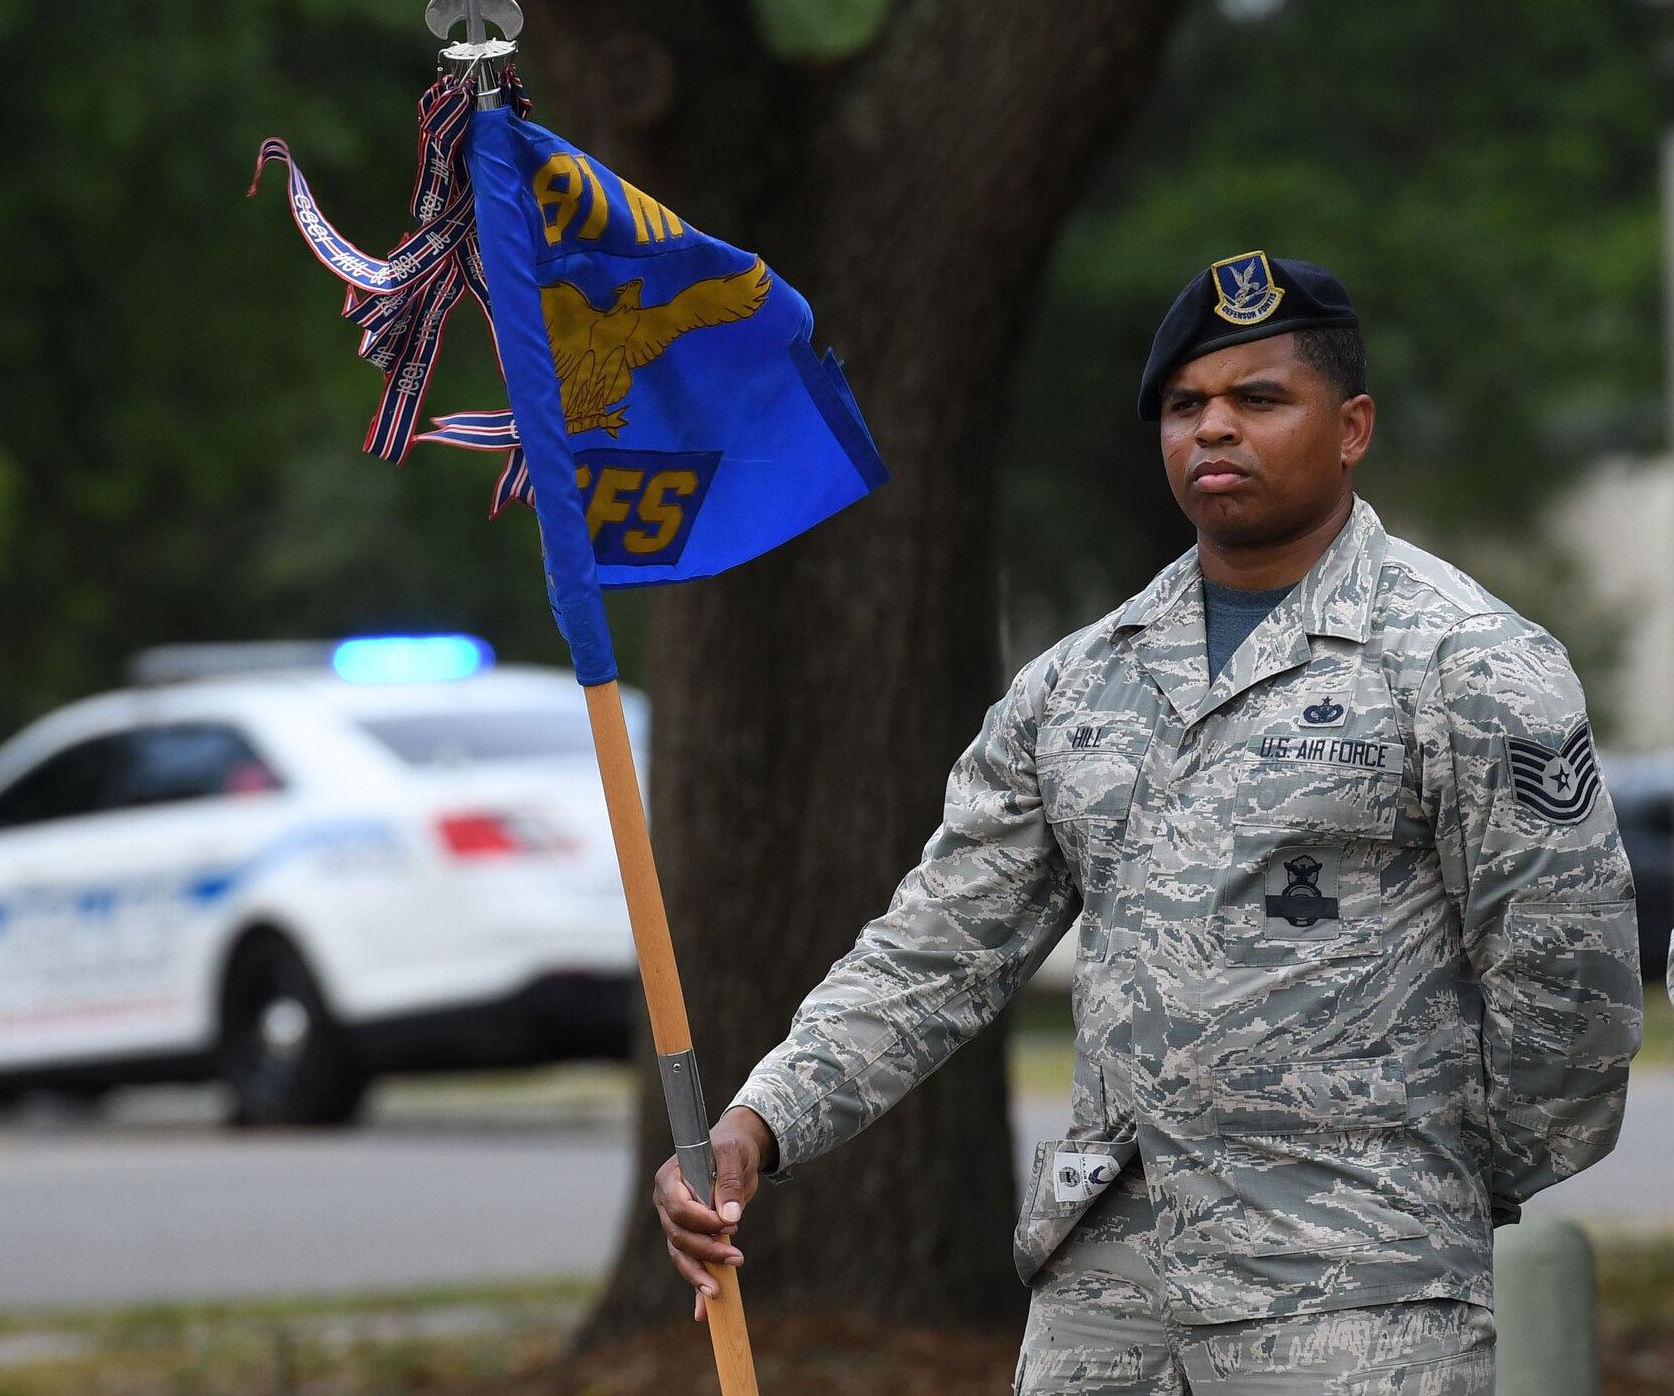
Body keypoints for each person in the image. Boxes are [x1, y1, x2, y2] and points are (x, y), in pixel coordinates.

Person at [653, 252, 1644, 1393]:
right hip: (1107, 1293)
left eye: (1257, 399)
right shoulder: (1080, 683)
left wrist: (1426, 1184)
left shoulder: (1466, 661)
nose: (1213, 429)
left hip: (1353, 1290)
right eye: (1185, 406)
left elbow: (1567, 979)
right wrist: (762, 1119)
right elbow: (937, 946)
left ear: (1351, 425)